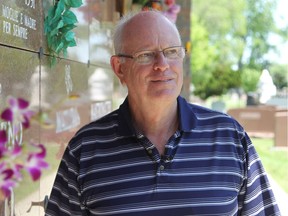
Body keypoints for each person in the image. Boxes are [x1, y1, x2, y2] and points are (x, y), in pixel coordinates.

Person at [45, 10, 280, 216]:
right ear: (119, 68)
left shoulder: (230, 138)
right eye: (146, 55)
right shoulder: (85, 148)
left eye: (172, 52)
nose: (162, 64)